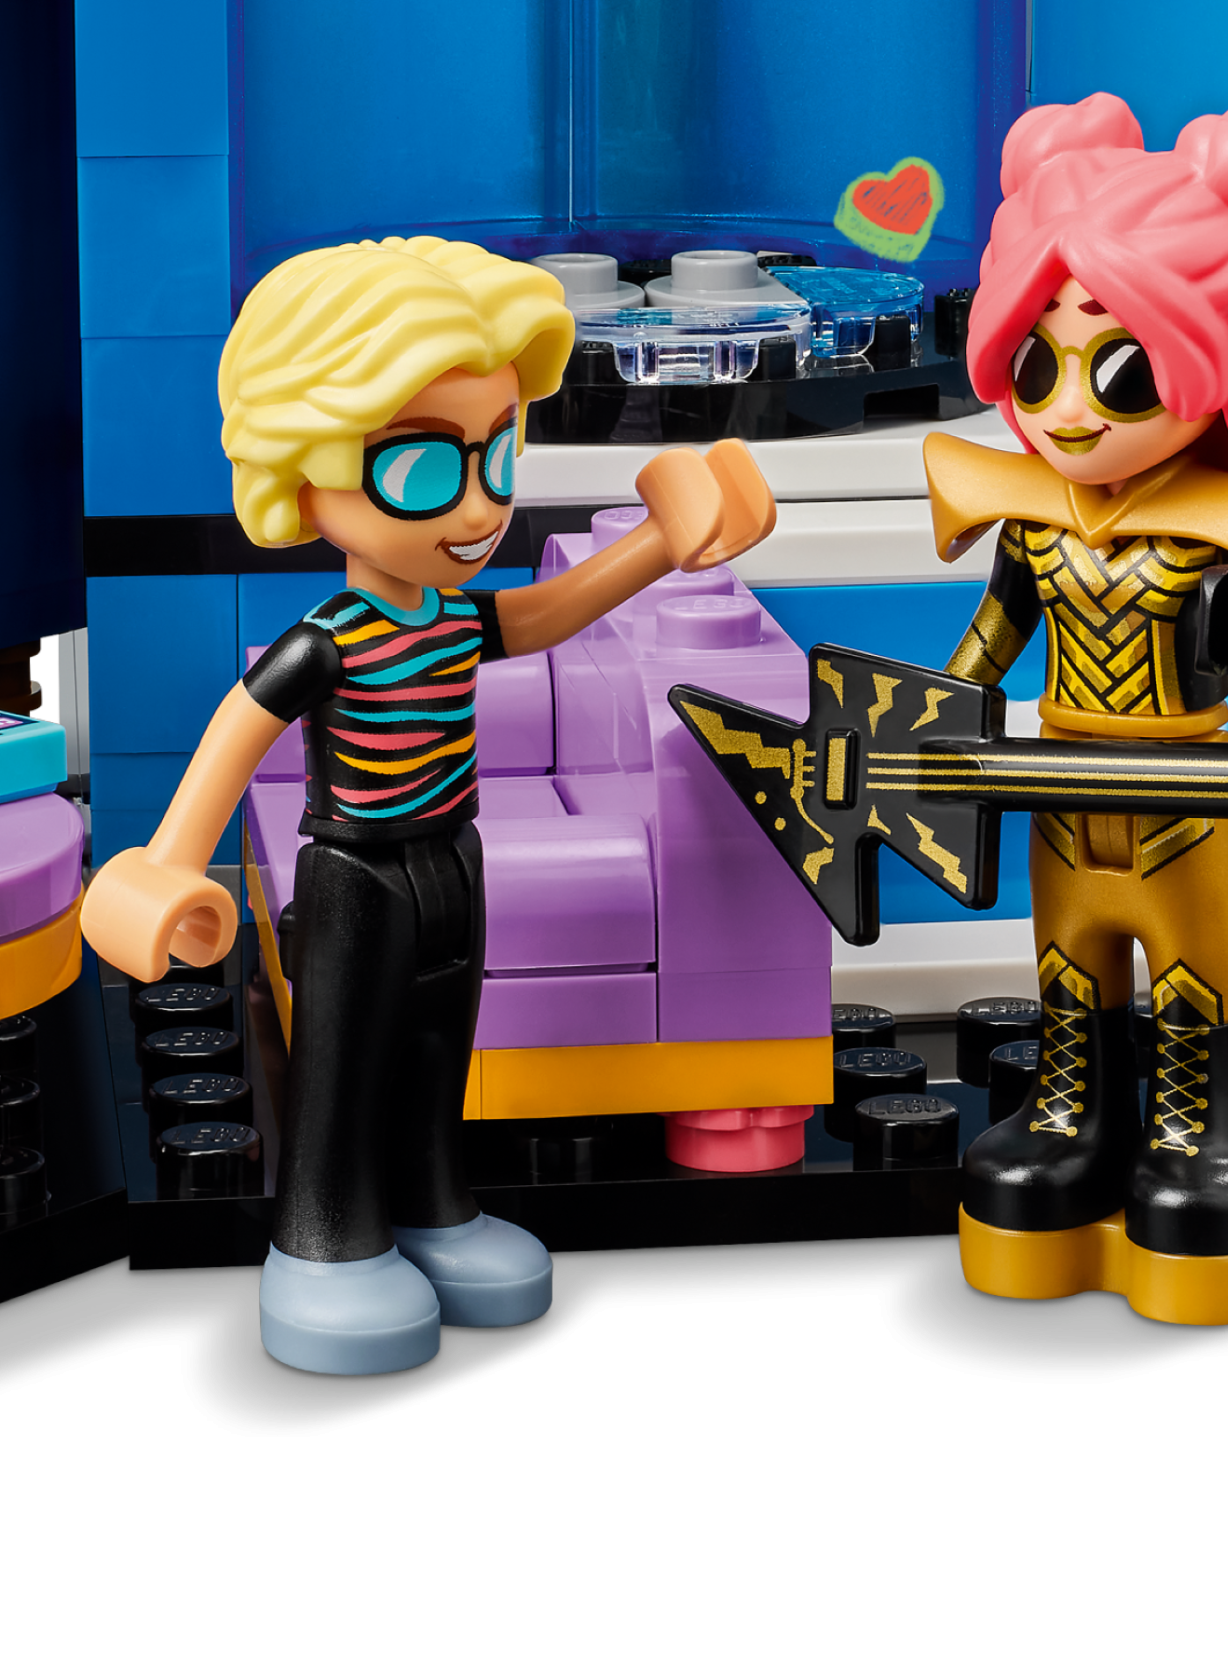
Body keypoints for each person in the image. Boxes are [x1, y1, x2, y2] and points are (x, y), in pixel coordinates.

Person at [82, 236, 770, 1373]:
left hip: (456, 855)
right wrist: (170, 861)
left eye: (497, 455)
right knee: (344, 1062)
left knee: (442, 1048)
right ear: (304, 478)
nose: (478, 506)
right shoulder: (328, 641)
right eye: (420, 470)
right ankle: (325, 1240)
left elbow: (547, 612)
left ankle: (436, 1208)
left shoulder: (453, 619)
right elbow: (235, 732)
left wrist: (663, 540)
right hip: (356, 874)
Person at [922, 96, 1228, 1276]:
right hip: (1060, 779)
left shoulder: (1212, 529)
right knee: (1068, 962)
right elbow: (994, 635)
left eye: (1117, 370)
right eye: (1036, 363)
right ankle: (1069, 1111)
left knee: (1189, 968)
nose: (1065, 409)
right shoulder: (1032, 525)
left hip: (1183, 787)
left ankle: (1199, 1125)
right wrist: (938, 717)